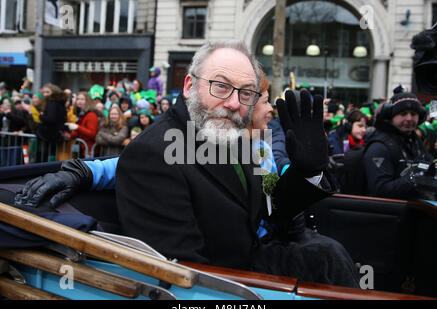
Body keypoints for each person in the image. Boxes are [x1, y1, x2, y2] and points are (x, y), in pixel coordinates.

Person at [14, 41, 359, 288]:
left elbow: (270, 211)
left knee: (329, 253)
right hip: (229, 284)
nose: (234, 103)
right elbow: (183, 279)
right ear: (190, 85)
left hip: (253, 263)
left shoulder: (230, 139)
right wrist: (83, 169)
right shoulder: (156, 154)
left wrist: (307, 172)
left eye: (247, 93)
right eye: (221, 87)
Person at [363, 90, 434, 199]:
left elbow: (428, 164)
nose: (409, 118)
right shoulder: (379, 146)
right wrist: (415, 178)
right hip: (392, 213)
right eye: (403, 114)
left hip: (418, 209)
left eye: (413, 114)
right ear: (391, 116)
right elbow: (380, 190)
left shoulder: (414, 141)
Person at [64, 91, 99, 158]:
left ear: (87, 101)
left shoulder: (91, 115)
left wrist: (77, 127)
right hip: (82, 149)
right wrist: (69, 135)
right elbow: (79, 132)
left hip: (89, 151)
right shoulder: (81, 114)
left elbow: (92, 134)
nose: (79, 101)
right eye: (78, 99)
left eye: (82, 99)